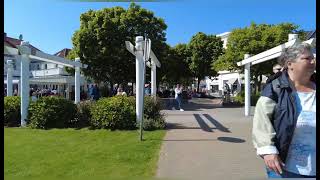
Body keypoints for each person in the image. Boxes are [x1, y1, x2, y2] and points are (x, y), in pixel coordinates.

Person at [252, 43, 316, 178]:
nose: (313, 61)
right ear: (290, 63)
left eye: (313, 58)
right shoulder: (275, 90)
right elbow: (262, 123)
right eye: (307, 58)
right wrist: (268, 151)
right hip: (285, 168)